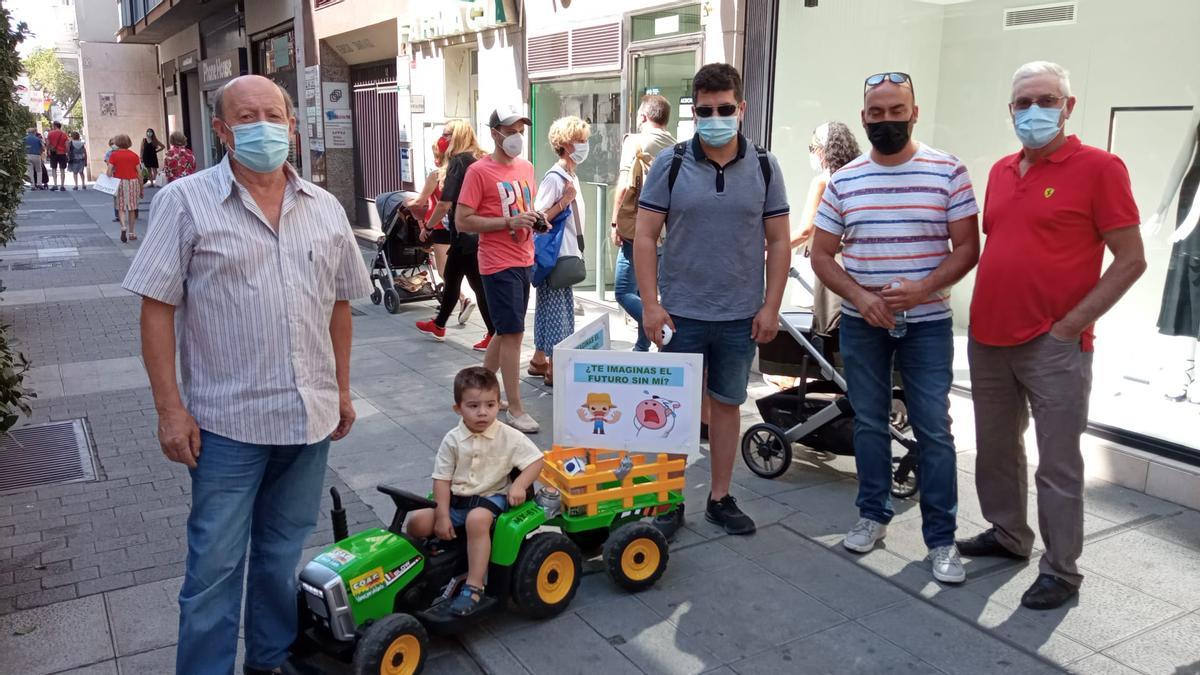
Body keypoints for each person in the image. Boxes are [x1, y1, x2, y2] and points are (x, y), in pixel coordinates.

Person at [122, 74, 373, 675]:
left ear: (292, 124)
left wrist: (341, 390)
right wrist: (169, 409)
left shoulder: (326, 208)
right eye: (246, 115)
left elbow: (341, 305)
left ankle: (269, 660)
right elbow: (156, 307)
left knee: (280, 555)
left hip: (307, 419)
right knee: (213, 568)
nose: (263, 125)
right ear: (221, 129)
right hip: (225, 427)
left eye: (273, 114)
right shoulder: (183, 202)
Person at [956, 61, 1147, 609]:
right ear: (1010, 110)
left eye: (1046, 100)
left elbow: (1130, 260)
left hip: (1054, 344)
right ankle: (1009, 534)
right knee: (995, 452)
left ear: (1068, 106)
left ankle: (1062, 570)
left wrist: (1070, 326)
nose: (1033, 111)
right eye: (1023, 102)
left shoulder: (1100, 167)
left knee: (1057, 462)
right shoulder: (999, 171)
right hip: (989, 340)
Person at [810, 71, 980, 585]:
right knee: (868, 420)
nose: (887, 121)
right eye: (877, 113)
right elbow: (821, 254)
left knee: (934, 429)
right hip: (864, 324)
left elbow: (969, 248)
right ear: (864, 119)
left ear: (914, 112)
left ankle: (942, 540)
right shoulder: (845, 180)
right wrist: (860, 296)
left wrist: (924, 288)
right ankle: (872, 515)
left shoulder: (948, 170)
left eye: (896, 110)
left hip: (927, 325)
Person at [635, 63, 791, 536]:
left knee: (726, 405)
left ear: (741, 109)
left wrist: (771, 306)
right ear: (694, 112)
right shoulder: (672, 162)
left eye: (726, 109)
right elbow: (644, 236)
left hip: (739, 315)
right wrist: (650, 302)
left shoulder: (764, 165)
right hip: (680, 312)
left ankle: (720, 497)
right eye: (706, 110)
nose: (716, 117)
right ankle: (667, 499)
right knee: (671, 408)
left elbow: (780, 241)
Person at [405, 366, 544, 616]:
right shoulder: (452, 439)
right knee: (416, 522)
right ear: (458, 408)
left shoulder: (509, 436)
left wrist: (520, 484)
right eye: (473, 406)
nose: (483, 412)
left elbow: (535, 460)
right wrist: (443, 515)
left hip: (492, 497)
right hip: (458, 499)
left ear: (498, 404)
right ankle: (425, 568)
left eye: (490, 405)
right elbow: (442, 479)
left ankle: (474, 584)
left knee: (476, 521)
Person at [456, 105, 541, 434]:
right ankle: (515, 409)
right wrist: (508, 222)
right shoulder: (479, 171)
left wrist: (536, 219)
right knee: (515, 333)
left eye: (521, 128)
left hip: (525, 258)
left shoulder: (527, 167)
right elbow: (463, 220)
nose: (517, 135)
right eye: (511, 129)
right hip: (497, 262)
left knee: (505, 332)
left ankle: (480, 393)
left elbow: (524, 208)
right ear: (495, 133)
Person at [415, 119, 494, 350]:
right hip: (476, 231)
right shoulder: (482, 157)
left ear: (457, 136)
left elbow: (444, 203)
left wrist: (428, 227)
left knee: (477, 285)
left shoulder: (458, 162)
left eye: (447, 134)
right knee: (451, 276)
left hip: (466, 234)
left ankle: (493, 332)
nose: (443, 138)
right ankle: (439, 324)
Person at [527, 115, 589, 386]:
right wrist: (564, 201)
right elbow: (538, 218)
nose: (585, 145)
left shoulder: (568, 174)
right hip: (556, 255)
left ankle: (539, 360)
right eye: (581, 140)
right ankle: (553, 368)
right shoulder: (555, 178)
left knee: (554, 308)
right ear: (566, 144)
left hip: (562, 254)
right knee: (556, 311)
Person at [610, 95, 676, 352]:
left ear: (644, 117)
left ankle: (663, 329)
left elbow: (625, 185)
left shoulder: (635, 141)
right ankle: (640, 346)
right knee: (645, 292)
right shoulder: (677, 145)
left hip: (638, 228)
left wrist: (615, 222)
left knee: (623, 292)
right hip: (666, 231)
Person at [410, 135, 474, 324]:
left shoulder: (436, 175)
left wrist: (409, 203)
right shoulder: (465, 170)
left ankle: (462, 300)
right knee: (463, 272)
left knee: (444, 271)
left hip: (439, 226)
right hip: (460, 228)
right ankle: (445, 319)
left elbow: (422, 201)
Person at [106, 134, 143, 243]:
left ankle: (123, 227)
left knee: (121, 207)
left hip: (119, 182)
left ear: (117, 143)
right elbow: (139, 173)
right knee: (132, 208)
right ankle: (132, 232)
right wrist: (141, 188)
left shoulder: (113, 155)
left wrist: (112, 173)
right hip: (133, 182)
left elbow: (108, 172)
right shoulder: (134, 155)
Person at [46, 121, 70, 191]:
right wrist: (67, 152)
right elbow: (67, 145)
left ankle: (55, 184)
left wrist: (48, 150)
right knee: (62, 169)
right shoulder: (64, 134)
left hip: (53, 153)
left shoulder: (50, 133)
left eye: (53, 126)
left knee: (54, 169)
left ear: (55, 126)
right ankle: (62, 185)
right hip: (62, 153)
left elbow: (47, 144)